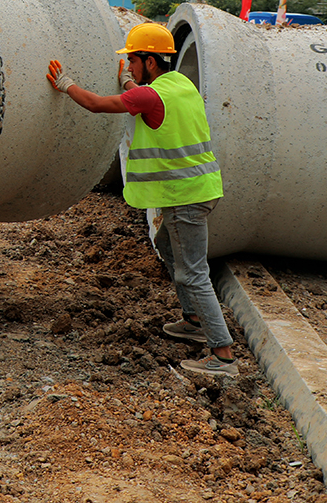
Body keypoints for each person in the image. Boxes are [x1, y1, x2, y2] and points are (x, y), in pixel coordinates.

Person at [45, 21, 239, 379]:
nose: (129, 66)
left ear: (151, 61)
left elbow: (97, 104)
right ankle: (193, 320)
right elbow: (145, 96)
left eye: (133, 60)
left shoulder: (150, 95)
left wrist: (65, 84)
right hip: (200, 190)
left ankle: (222, 355)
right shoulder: (180, 84)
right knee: (166, 244)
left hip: (185, 198)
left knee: (194, 273)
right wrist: (128, 83)